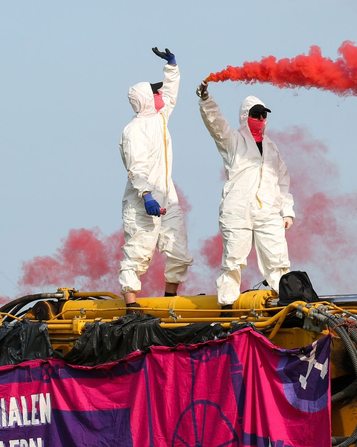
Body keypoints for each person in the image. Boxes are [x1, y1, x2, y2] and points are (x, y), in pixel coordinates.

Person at [196, 80, 295, 309]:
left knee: (278, 259)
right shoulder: (233, 141)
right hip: (238, 209)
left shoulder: (272, 148)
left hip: (268, 210)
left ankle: (283, 304)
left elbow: (282, 180)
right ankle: (227, 308)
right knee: (233, 260)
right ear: (245, 116)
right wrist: (206, 100)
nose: (260, 118)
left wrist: (287, 211)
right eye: (255, 114)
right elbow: (216, 124)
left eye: (263, 115)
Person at [118, 46, 193, 310]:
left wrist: (171, 67)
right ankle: (131, 305)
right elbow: (136, 167)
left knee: (179, 250)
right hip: (142, 201)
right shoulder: (134, 130)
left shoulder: (159, 119)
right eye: (155, 92)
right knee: (138, 251)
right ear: (147, 100)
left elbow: (170, 94)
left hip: (166, 196)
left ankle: (170, 301)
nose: (160, 94)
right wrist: (146, 195)